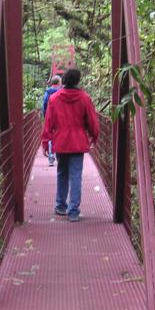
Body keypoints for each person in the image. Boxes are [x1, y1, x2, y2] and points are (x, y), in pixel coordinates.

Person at [41, 68, 99, 222]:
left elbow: (48, 122)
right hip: (78, 141)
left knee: (62, 172)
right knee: (75, 175)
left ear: (64, 80)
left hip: (60, 141)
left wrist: (46, 142)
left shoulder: (54, 99)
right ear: (78, 80)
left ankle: (60, 205)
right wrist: (94, 135)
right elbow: (92, 121)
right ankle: (73, 211)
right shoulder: (85, 98)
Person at [42, 75, 61, 165]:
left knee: (50, 136)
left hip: (49, 117)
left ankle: (51, 157)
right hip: (59, 117)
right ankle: (60, 155)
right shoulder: (61, 92)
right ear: (58, 83)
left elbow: (44, 105)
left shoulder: (47, 93)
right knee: (59, 135)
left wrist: (45, 116)